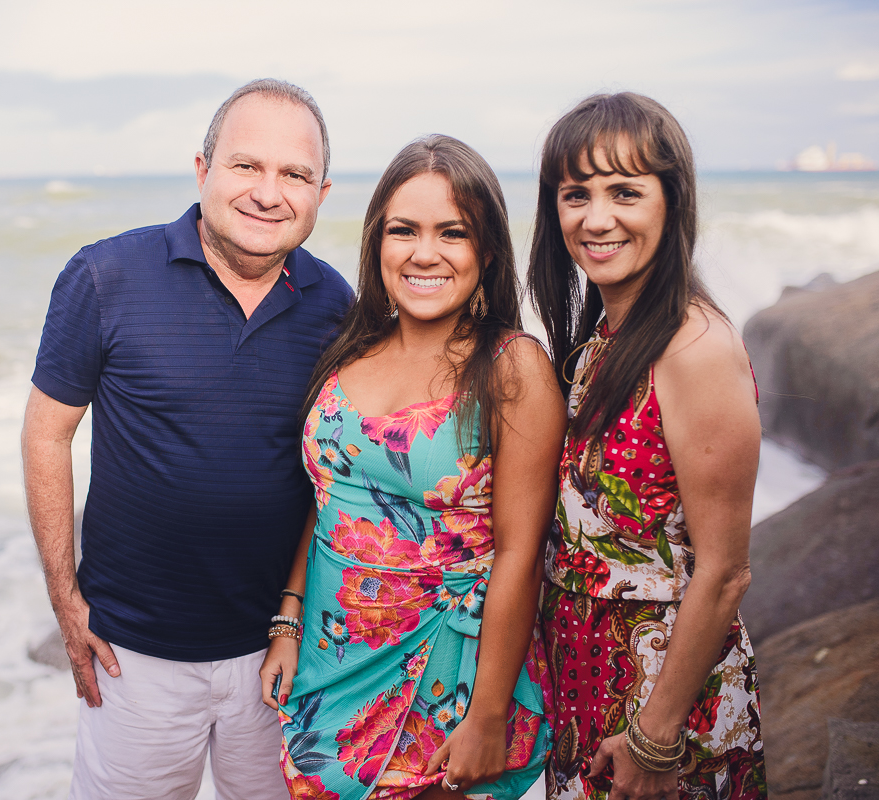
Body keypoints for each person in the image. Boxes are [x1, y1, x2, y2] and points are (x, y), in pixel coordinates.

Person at [22, 79, 352, 800]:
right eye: (246, 166)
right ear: (203, 171)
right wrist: (63, 599)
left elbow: (340, 471)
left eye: (294, 174)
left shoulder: (336, 303)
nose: (269, 192)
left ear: (321, 193)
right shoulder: (105, 276)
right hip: (133, 659)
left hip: (280, 654)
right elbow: (48, 434)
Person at [260, 134, 566, 800]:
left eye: (451, 233)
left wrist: (487, 714)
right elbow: (327, 499)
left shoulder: (514, 367)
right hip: (328, 660)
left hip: (446, 676)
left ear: (486, 252)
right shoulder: (349, 352)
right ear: (377, 244)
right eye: (404, 230)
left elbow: (521, 554)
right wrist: (286, 619)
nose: (424, 253)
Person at [527, 93, 767, 800]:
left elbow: (724, 571)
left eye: (625, 191)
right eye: (577, 194)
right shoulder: (600, 338)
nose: (596, 218)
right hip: (586, 683)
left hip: (663, 704)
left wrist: (654, 738)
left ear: (672, 200)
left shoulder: (693, 345)